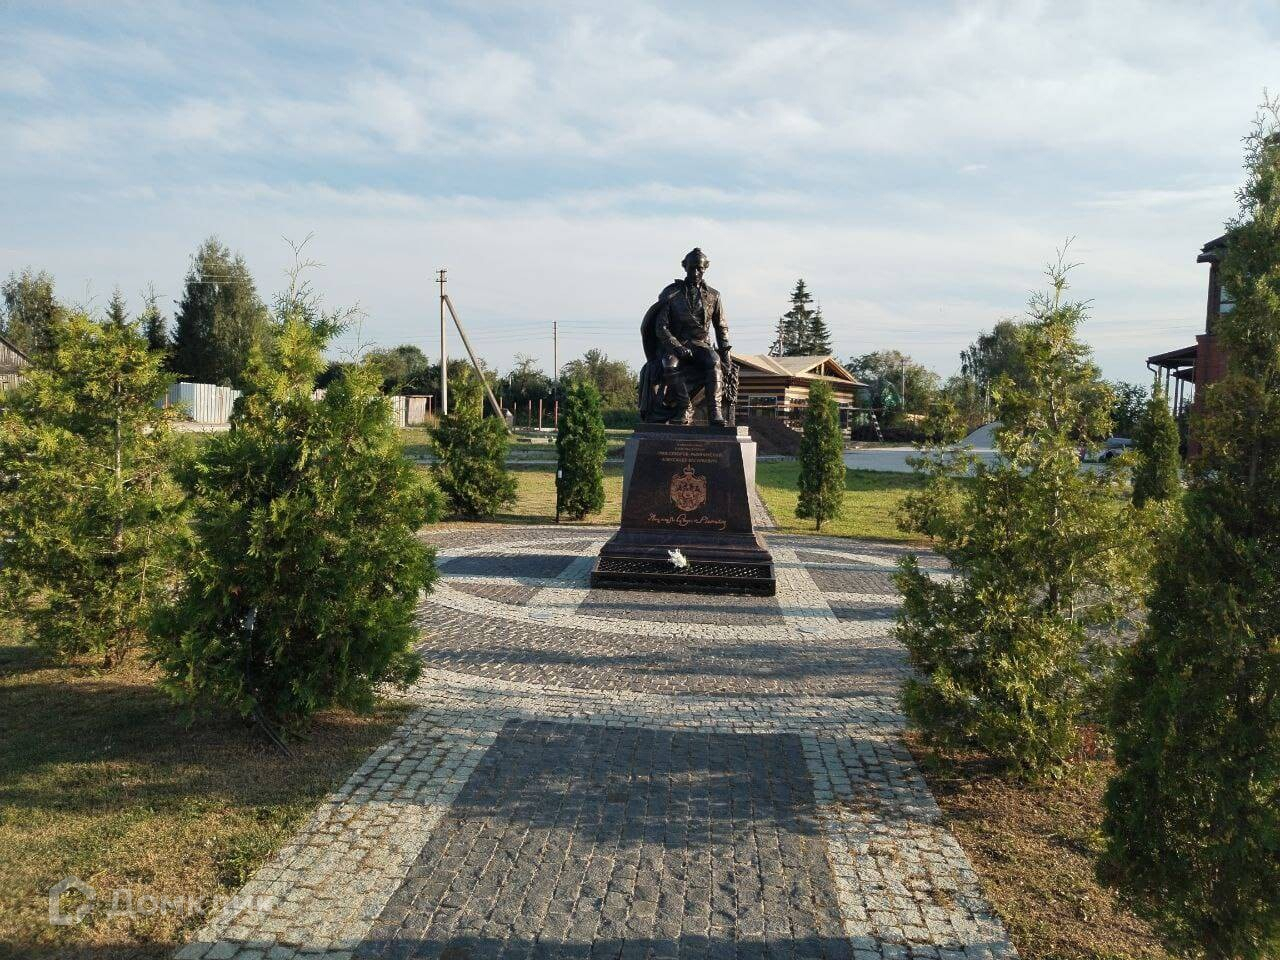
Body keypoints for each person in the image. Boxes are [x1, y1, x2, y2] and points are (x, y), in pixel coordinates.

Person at [638, 248, 734, 425]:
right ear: (685, 267)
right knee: (669, 363)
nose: (695, 272)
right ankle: (685, 407)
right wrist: (677, 346)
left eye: (699, 268)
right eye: (692, 268)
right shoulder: (671, 294)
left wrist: (726, 359)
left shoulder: (714, 296)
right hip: (677, 343)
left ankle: (715, 412)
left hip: (701, 345)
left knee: (714, 361)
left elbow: (721, 328)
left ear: (705, 268)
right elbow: (661, 327)